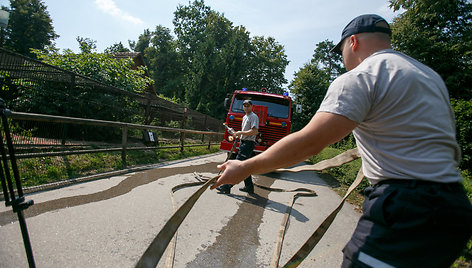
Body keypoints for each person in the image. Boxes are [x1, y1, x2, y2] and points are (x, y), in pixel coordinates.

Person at [211, 14, 472, 267]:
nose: (343, 59)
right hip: (454, 206)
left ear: (353, 42)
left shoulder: (362, 76)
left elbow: (310, 142)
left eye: (342, 50)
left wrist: (245, 167)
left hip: (406, 207)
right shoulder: (428, 76)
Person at [216, 99, 259, 194]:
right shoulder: (245, 117)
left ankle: (226, 187)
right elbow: (245, 132)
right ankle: (249, 187)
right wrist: (238, 135)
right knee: (244, 167)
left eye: (248, 105)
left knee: (237, 166)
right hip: (243, 142)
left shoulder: (253, 117)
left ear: (252, 107)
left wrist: (241, 133)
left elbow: (255, 131)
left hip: (248, 144)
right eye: (244, 105)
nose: (246, 107)